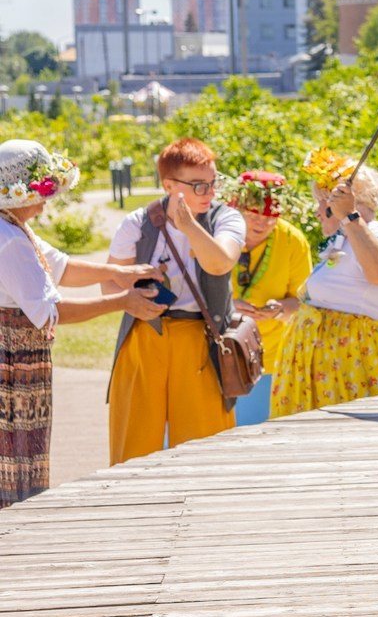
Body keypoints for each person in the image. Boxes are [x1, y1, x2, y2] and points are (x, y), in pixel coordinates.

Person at [1, 141, 159, 506]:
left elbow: (61, 267)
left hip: (17, 357)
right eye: (41, 194)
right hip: (12, 361)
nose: (44, 204)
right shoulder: (8, 240)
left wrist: (120, 272)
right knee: (15, 453)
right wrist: (122, 301)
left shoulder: (11, 227)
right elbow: (51, 311)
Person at [107, 137, 247, 465]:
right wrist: (139, 287)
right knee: (134, 446)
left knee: (203, 448)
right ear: (170, 185)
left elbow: (220, 263)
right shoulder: (136, 224)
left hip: (201, 339)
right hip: (144, 338)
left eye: (214, 183)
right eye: (199, 185)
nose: (210, 193)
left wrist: (189, 227)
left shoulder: (226, 219)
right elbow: (109, 285)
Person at [269, 162, 378, 415]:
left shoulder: (377, 233)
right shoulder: (343, 243)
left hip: (353, 368)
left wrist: (349, 217)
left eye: (320, 204)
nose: (316, 212)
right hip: (329, 373)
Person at [227, 170, 312, 427]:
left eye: (270, 218)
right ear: (238, 207)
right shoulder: (218, 233)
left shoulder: (292, 240)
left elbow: (305, 305)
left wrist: (278, 309)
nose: (261, 224)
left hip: (270, 359)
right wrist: (227, 306)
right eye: (253, 215)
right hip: (216, 356)